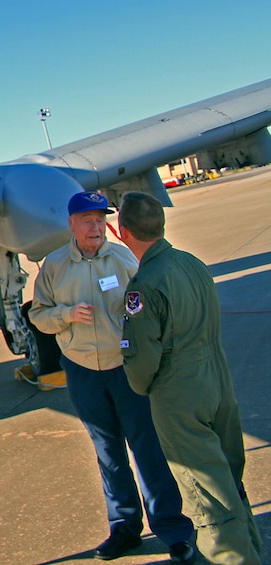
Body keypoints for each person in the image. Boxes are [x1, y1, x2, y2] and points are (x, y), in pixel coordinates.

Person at [30, 191, 195, 563]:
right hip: (84, 370)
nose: (95, 227)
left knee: (148, 449)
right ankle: (124, 526)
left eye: (100, 219)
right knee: (109, 454)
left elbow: (148, 305)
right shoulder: (54, 266)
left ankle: (172, 528)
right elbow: (38, 315)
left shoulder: (124, 258)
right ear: (71, 224)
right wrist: (66, 315)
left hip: (126, 369)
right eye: (87, 220)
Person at [118, 191, 263, 564]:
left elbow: (141, 359)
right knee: (230, 482)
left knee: (209, 498)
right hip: (218, 383)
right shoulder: (193, 263)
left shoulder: (144, 285)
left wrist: (143, 387)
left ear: (123, 232)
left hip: (179, 395)